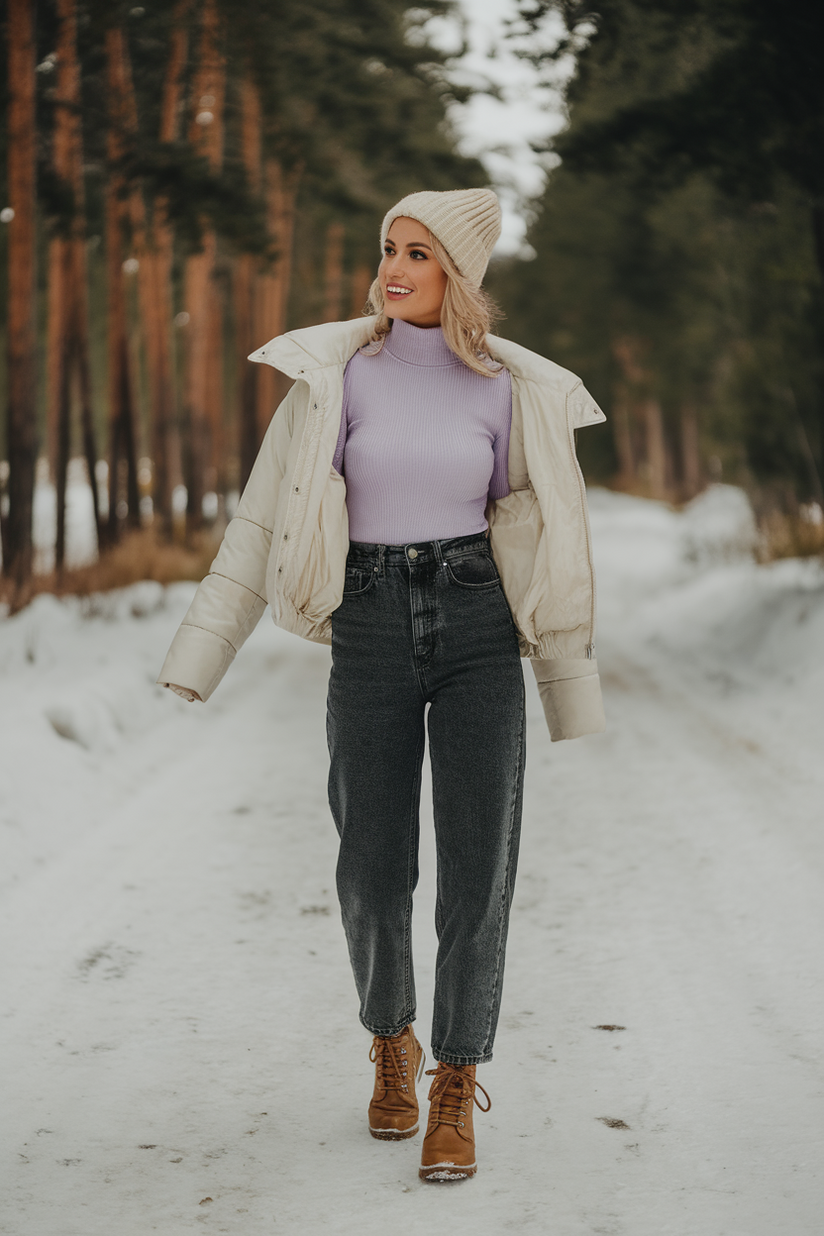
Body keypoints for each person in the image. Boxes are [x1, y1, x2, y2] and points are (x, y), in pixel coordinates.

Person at [158, 187, 606, 1183]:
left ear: (458, 275)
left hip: (476, 622)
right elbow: (260, 524)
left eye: (417, 253)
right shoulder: (337, 379)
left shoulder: (505, 390)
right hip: (364, 623)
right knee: (369, 861)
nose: (392, 268)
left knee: (475, 865)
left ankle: (455, 1077)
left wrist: (566, 677)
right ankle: (388, 1042)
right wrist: (202, 652)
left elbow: (548, 543)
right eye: (386, 248)